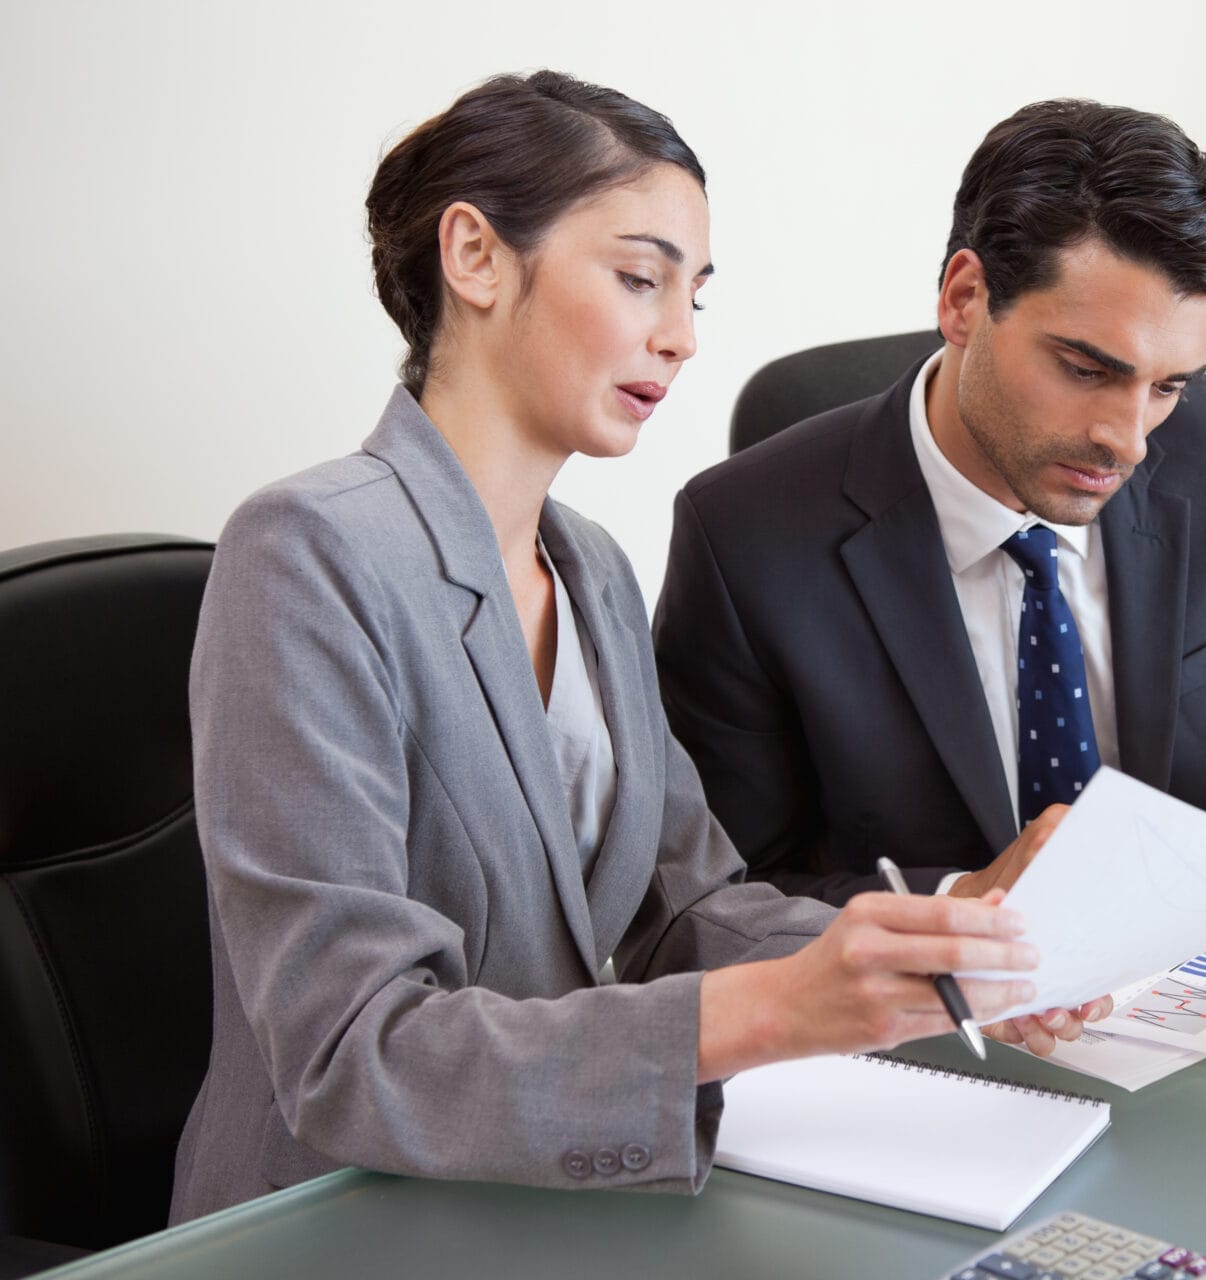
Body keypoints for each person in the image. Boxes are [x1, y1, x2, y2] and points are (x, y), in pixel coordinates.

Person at [170, 72, 1098, 1224]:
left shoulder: (592, 564)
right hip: (342, 1216)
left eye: (695, 292)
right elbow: (353, 1051)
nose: (683, 335)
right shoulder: (306, 552)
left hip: (546, 1191)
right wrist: (768, 1013)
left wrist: (930, 956)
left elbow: (681, 904)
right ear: (475, 257)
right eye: (638, 276)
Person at [652, 100, 1206, 938]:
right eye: (1086, 369)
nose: (1129, 438)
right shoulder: (743, 541)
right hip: (938, 1038)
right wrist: (963, 901)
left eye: (1169, 385)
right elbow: (727, 897)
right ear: (963, 299)